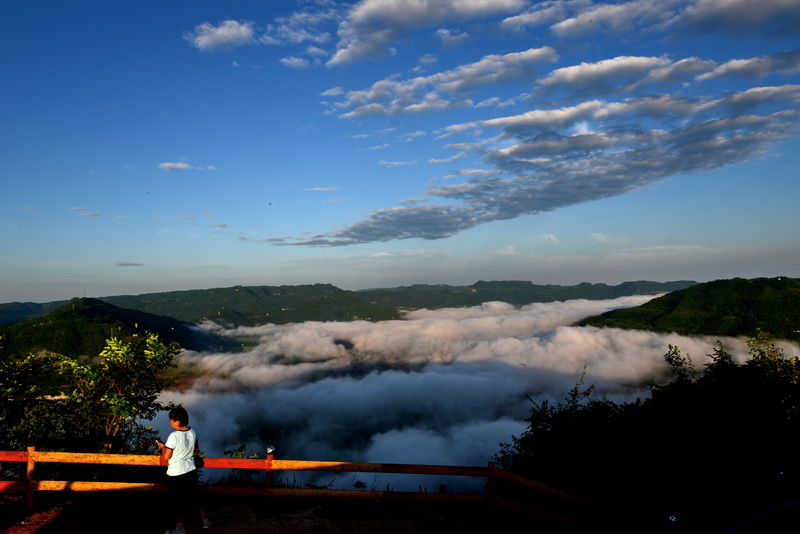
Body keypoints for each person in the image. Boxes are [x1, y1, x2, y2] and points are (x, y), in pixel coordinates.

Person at [156, 407, 212, 534]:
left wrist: (163, 447)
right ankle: (205, 522)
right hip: (190, 469)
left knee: (176, 502)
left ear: (178, 420)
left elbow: (166, 457)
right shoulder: (192, 431)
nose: (170, 422)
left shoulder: (173, 436)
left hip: (175, 473)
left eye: (172, 419)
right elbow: (196, 449)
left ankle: (180, 528)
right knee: (194, 497)